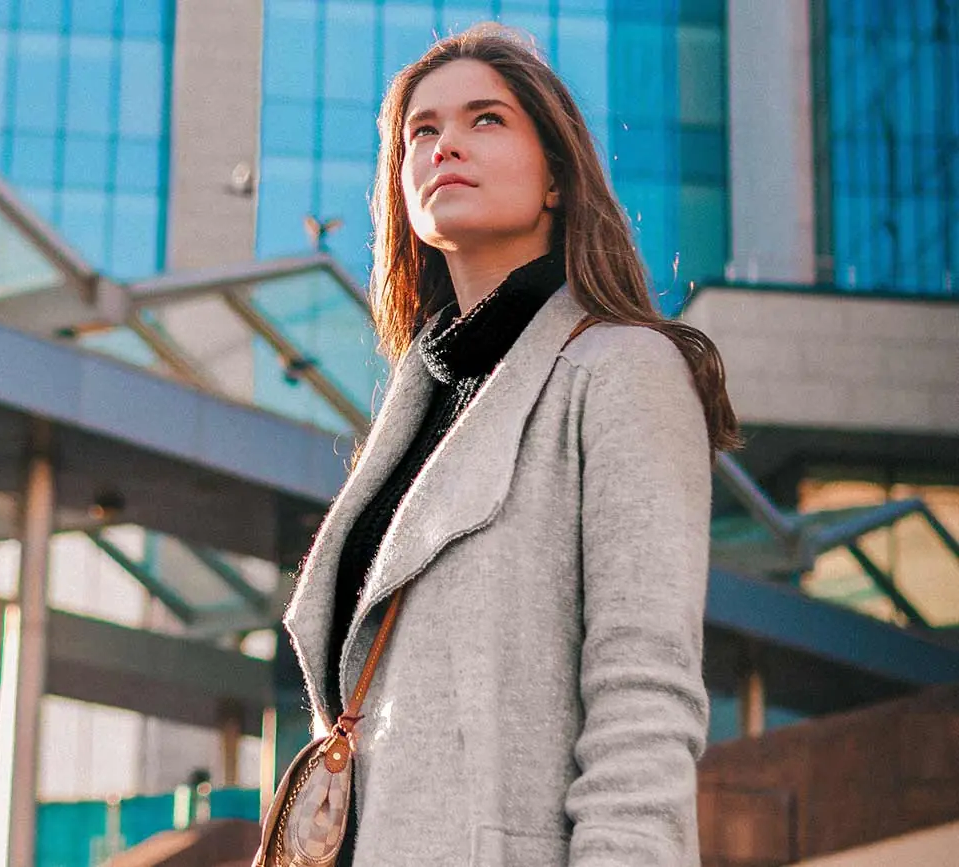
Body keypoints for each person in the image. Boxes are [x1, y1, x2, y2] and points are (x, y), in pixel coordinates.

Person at [282, 22, 741, 867]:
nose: (445, 143)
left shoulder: (621, 372)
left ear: (558, 177)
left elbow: (645, 696)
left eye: (484, 120)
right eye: (422, 130)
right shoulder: (416, 407)